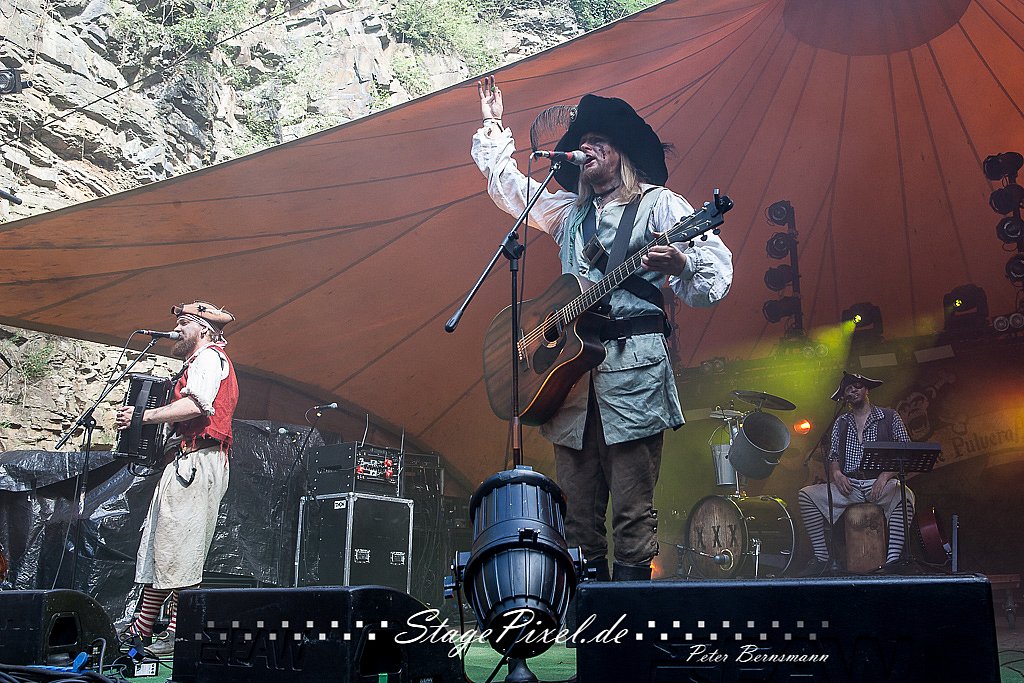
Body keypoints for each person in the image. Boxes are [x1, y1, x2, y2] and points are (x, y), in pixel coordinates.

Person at [472, 76, 733, 581]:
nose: (585, 148)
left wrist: (681, 265)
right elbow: (510, 187)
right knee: (576, 522)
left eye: (597, 141)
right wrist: (492, 124)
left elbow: (715, 277)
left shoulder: (661, 205)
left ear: (622, 153)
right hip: (569, 384)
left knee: (633, 514)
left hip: (633, 374)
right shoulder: (569, 214)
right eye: (582, 143)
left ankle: (628, 621)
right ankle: (589, 622)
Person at [116, 301, 238, 656]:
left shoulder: (209, 358)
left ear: (204, 329)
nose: (177, 329)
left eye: (184, 322)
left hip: (197, 461)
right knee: (163, 544)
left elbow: (197, 405)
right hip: (186, 461)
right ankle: (142, 629)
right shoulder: (196, 362)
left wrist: (142, 416)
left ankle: (178, 632)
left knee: (181, 547)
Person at [798, 372, 916, 575]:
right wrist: (837, 474)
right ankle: (822, 557)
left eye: (857, 386)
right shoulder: (841, 421)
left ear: (867, 390)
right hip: (850, 486)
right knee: (806, 495)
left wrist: (885, 476)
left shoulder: (889, 417)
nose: (853, 390)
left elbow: (906, 451)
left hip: (879, 483)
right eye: (848, 389)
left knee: (905, 495)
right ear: (844, 396)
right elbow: (834, 457)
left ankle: (893, 560)